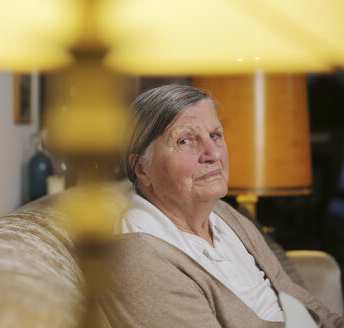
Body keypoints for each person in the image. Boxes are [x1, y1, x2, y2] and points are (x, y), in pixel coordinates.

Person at [101, 85, 344, 327]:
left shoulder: (222, 214)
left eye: (215, 135)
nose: (213, 153)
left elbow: (297, 298)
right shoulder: (140, 259)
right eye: (185, 141)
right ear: (141, 168)